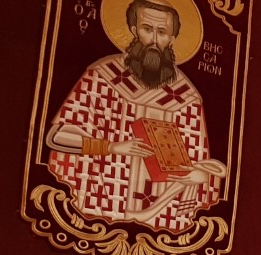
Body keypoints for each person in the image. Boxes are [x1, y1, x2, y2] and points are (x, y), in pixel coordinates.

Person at [46, 0, 226, 231]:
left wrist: (199, 174)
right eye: (147, 29)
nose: (154, 40)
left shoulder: (187, 96)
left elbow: (196, 163)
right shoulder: (102, 76)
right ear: (133, 30)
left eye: (162, 32)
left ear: (172, 38)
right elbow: (56, 137)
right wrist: (112, 147)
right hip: (98, 199)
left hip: (158, 221)